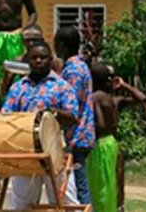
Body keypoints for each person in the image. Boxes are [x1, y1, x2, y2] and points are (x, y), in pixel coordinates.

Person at [1, 42, 79, 209]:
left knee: (65, 204)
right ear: (27, 60)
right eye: (34, 57)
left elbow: (73, 118)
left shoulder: (62, 87)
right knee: (22, 205)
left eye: (43, 57)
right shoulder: (18, 88)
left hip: (55, 153)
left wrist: (53, 114)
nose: (38, 61)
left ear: (50, 60)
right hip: (25, 155)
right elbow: (6, 117)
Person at [88, 63, 146, 212]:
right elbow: (142, 98)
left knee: (100, 187)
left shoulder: (93, 98)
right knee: (114, 183)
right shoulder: (114, 100)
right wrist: (124, 85)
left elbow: (96, 124)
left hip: (98, 146)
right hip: (113, 143)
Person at [54, 26, 96, 206]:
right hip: (83, 133)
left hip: (76, 136)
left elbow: (71, 105)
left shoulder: (72, 71)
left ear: (61, 46)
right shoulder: (81, 65)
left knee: (78, 188)